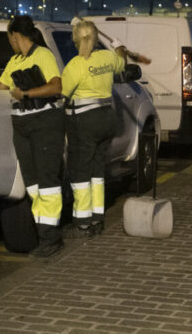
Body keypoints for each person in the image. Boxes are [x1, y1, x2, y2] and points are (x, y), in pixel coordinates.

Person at [60, 19, 146, 238]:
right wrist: (118, 46)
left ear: (75, 38)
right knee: (98, 170)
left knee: (81, 170)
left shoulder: (75, 65)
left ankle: (82, 221)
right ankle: (98, 217)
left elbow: (62, 97)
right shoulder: (107, 58)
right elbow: (120, 61)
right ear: (96, 38)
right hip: (107, 119)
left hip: (84, 123)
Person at [0, 16, 66, 257]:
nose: (10, 42)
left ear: (15, 35)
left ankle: (50, 238)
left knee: (47, 182)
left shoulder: (43, 55)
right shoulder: (14, 61)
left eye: (9, 38)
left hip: (45, 123)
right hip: (21, 125)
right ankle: (43, 232)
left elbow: (56, 87)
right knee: (32, 184)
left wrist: (26, 94)